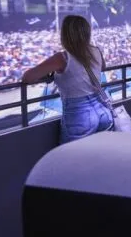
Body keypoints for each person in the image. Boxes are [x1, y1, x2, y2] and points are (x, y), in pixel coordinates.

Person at [22, 15, 113, 144]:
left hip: (79, 115)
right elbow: (102, 67)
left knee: (70, 156)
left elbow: (28, 77)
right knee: (100, 152)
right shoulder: (96, 51)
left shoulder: (62, 58)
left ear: (65, 35)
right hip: (102, 110)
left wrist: (51, 74)